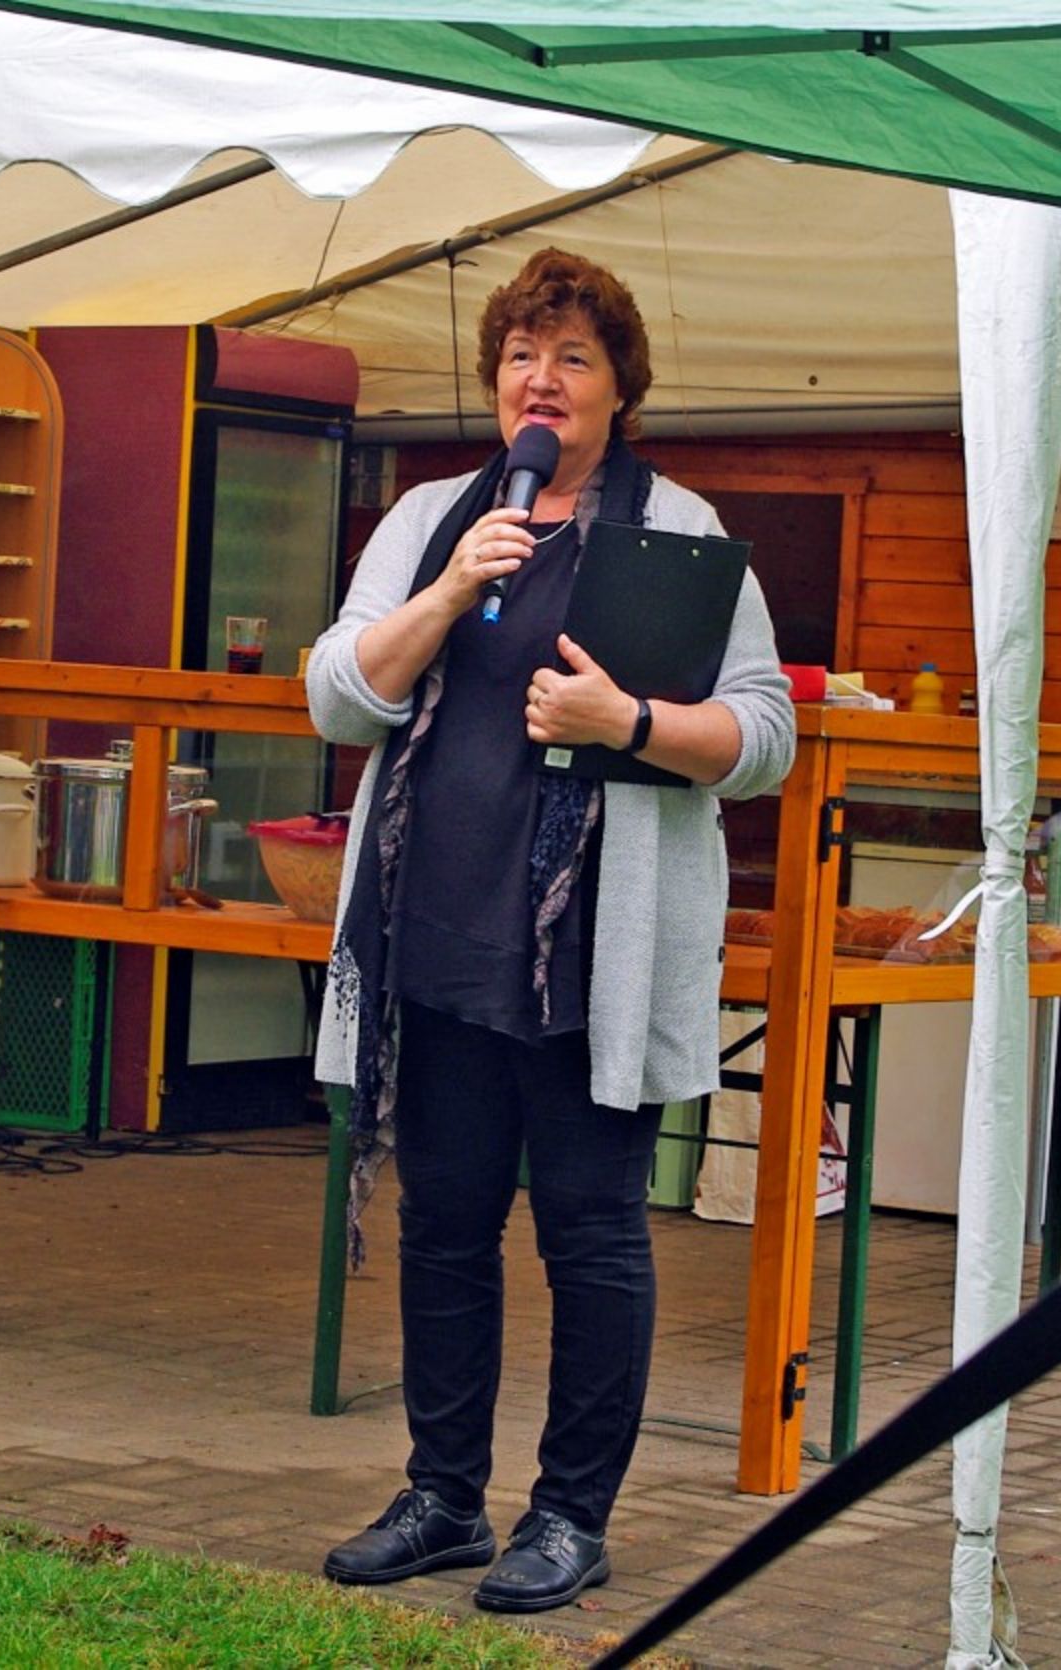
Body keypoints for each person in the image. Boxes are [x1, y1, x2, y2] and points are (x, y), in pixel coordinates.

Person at [307, 249, 791, 1609]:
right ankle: (444, 1497)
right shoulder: (432, 521)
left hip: (592, 962)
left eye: (574, 357)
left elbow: (764, 736)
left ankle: (572, 1515)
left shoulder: (679, 529)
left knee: (590, 1235)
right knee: (445, 1227)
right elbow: (338, 697)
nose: (543, 379)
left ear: (620, 388)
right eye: (523, 355)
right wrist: (449, 590)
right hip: (438, 936)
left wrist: (624, 721)